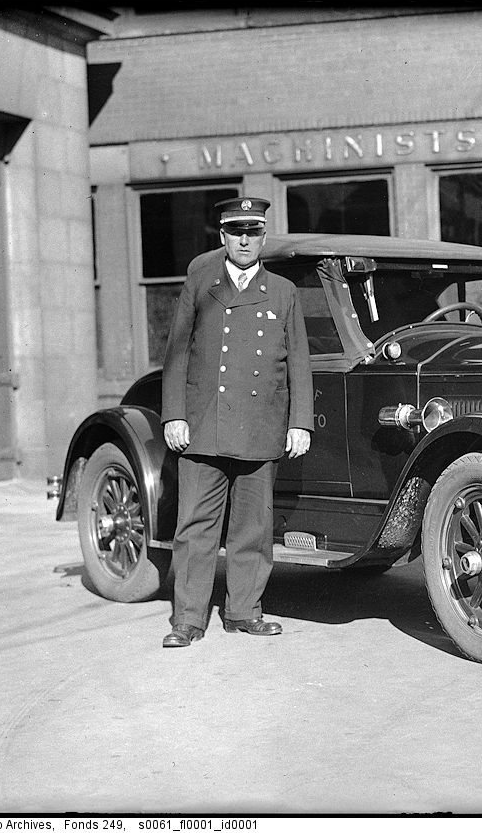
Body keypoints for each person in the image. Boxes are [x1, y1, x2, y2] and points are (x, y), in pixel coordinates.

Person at [160, 197, 313, 647]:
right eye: (235, 232)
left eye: (253, 232)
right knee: (195, 526)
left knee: (253, 528)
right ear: (223, 237)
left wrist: (299, 422)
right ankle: (187, 619)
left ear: (263, 238)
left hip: (260, 426)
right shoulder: (200, 284)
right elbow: (175, 356)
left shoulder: (283, 292)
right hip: (204, 427)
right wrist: (174, 415)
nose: (244, 240)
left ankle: (244, 611)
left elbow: (298, 363)